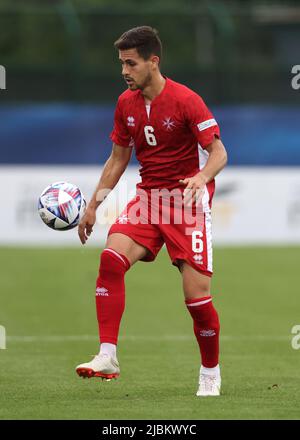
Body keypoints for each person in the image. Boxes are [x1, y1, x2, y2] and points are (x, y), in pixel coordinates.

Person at [76, 26, 227, 397]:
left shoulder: (186, 100)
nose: (124, 71)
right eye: (121, 64)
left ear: (152, 62)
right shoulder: (125, 103)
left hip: (186, 205)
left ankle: (210, 371)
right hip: (147, 200)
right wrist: (94, 205)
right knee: (111, 259)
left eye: (131, 63)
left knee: (197, 300)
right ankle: (107, 355)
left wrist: (201, 176)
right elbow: (117, 159)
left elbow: (219, 152)